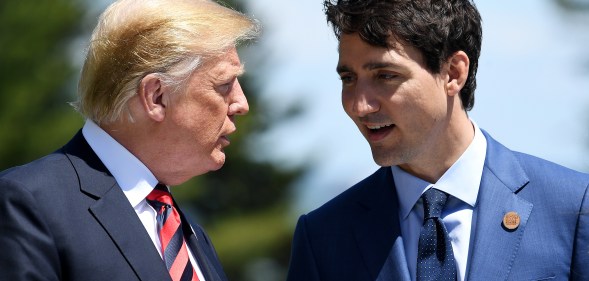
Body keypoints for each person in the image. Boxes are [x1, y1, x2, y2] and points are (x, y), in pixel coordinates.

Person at [287, 0, 589, 280]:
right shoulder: (323, 237)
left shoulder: (574, 206)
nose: (359, 105)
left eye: (385, 76)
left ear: (453, 73)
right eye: (348, 79)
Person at [0, 0, 259, 280]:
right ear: (156, 96)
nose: (241, 103)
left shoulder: (189, 233)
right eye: (224, 84)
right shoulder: (26, 203)